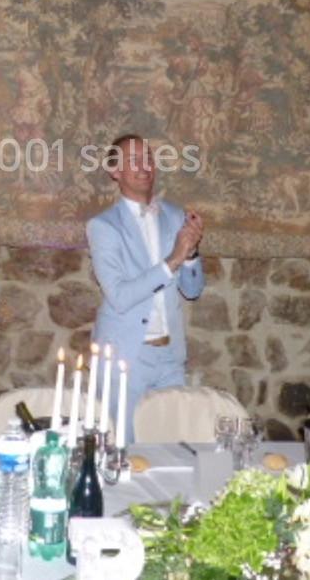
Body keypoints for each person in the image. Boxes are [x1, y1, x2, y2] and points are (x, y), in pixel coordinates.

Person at [86, 134, 205, 443]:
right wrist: (174, 259)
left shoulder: (176, 215)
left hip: (170, 356)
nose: (145, 166)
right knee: (121, 449)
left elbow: (192, 290)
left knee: (171, 447)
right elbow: (120, 296)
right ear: (115, 171)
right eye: (134, 160)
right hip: (125, 355)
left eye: (149, 158)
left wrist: (191, 254)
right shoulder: (103, 226)